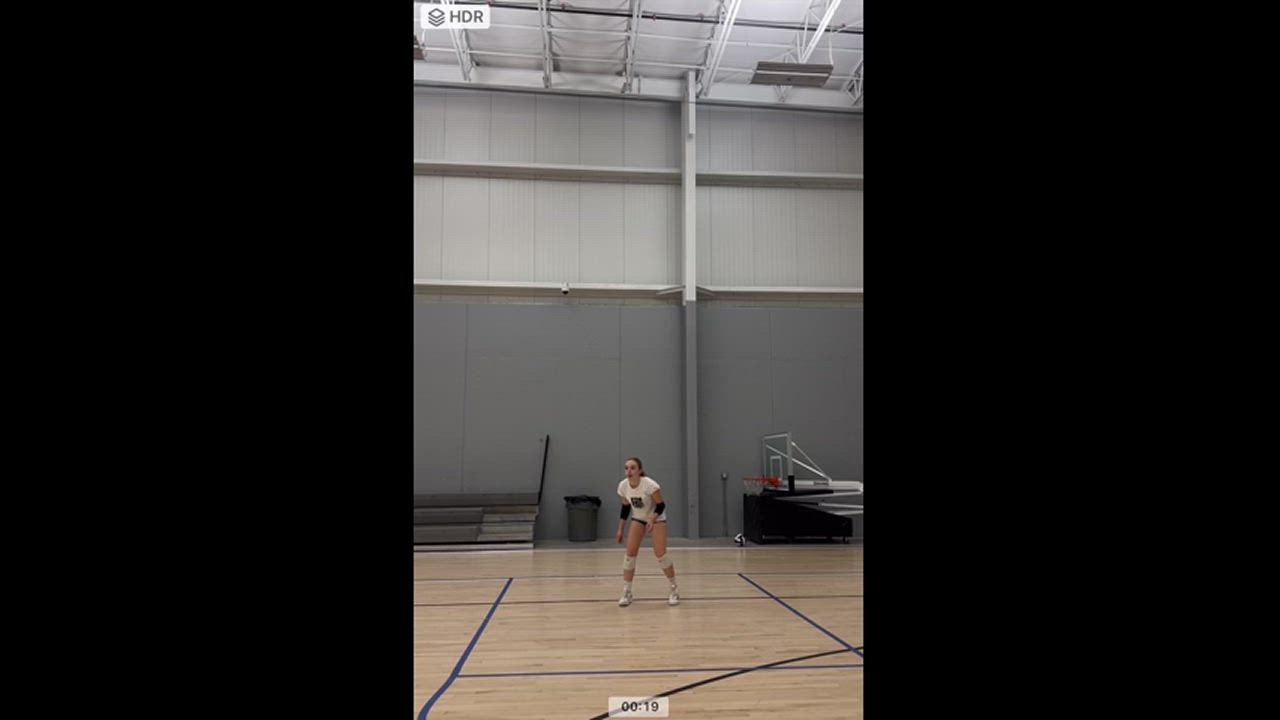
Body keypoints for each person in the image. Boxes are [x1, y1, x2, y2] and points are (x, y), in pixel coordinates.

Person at [614, 457, 679, 607]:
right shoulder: (623, 486)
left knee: (660, 554)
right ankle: (627, 591)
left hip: (657, 518)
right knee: (630, 554)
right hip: (638, 518)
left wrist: (652, 519)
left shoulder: (650, 485)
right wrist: (620, 529)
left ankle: (674, 589)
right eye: (626, 468)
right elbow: (625, 508)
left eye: (632, 468)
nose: (629, 471)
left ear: (640, 470)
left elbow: (661, 505)